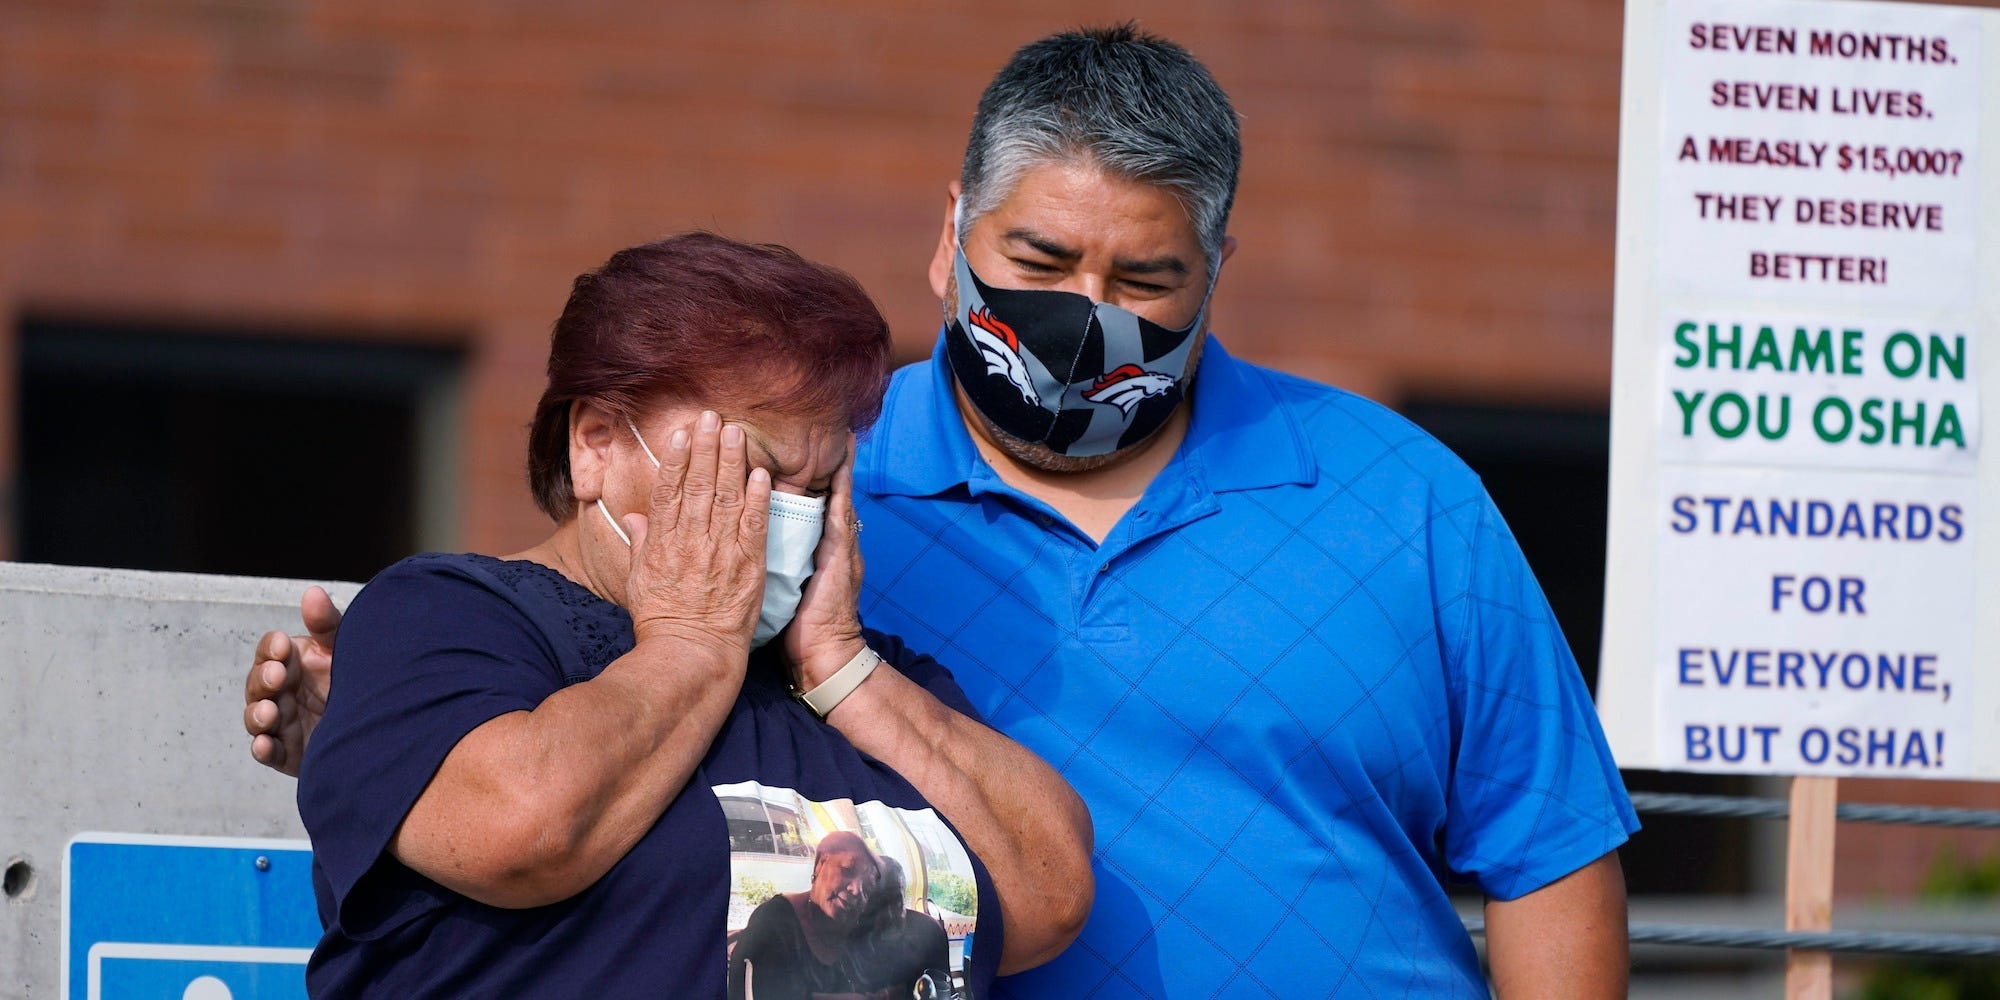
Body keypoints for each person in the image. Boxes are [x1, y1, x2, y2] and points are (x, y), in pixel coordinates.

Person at [249, 25, 1638, 997]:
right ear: (952, 232)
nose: (1088, 315)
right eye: (1039, 257)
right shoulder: (848, 474)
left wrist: (841, 665)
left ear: (1218, 267)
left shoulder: (1403, 499)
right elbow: (547, 705)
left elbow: (1548, 858)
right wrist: (359, 730)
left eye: (1144, 279)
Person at [284, 232, 1091, 996]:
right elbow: (521, 833)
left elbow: (1049, 899)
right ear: (596, 441)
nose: (791, 518)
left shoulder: (868, 679)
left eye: (819, 489)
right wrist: (694, 643)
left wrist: (844, 669)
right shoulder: (447, 616)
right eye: (751, 471)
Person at [727, 832, 882, 999]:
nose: (857, 889)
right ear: (820, 863)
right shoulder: (773, 920)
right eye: (848, 870)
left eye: (867, 886)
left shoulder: (853, 934)